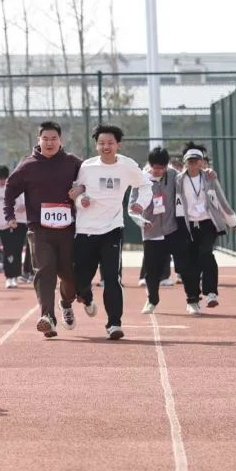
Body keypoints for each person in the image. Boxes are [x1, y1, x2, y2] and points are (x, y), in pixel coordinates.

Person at [71, 125, 151, 339]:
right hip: (86, 229)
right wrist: (81, 200)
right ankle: (86, 297)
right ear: (96, 145)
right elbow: (76, 192)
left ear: (118, 144)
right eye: (101, 143)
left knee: (111, 277)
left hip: (112, 228)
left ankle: (114, 323)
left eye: (110, 143)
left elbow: (145, 185)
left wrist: (140, 204)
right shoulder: (87, 167)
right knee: (80, 279)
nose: (106, 147)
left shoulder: (127, 165)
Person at [4, 121, 83, 338]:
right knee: (44, 271)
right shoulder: (27, 165)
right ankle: (47, 317)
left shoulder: (72, 162)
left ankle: (65, 303)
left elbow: (89, 179)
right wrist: (9, 214)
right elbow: (10, 188)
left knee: (69, 275)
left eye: (54, 138)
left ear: (60, 140)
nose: (49, 143)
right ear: (38, 140)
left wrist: (81, 187)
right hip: (39, 230)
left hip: (68, 230)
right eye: (45, 139)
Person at [176, 147, 236, 315]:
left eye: (196, 160)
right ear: (185, 163)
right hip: (187, 225)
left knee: (206, 253)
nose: (193, 164)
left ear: (202, 162)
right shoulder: (178, 180)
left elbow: (221, 199)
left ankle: (211, 293)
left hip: (207, 224)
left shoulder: (209, 178)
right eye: (190, 161)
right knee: (190, 263)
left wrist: (233, 222)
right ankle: (192, 300)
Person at [132, 147, 186, 315]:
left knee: (185, 266)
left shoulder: (173, 175)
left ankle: (192, 300)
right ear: (150, 164)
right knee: (152, 271)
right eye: (156, 168)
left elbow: (190, 178)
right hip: (152, 232)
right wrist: (141, 221)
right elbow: (132, 207)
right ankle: (152, 300)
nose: (159, 171)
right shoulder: (140, 179)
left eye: (162, 168)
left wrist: (207, 173)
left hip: (172, 229)